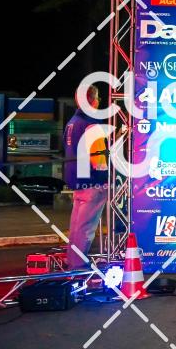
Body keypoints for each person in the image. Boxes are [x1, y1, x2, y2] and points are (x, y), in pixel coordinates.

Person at [63, 84, 109, 271]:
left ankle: (72, 260)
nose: (99, 101)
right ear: (93, 101)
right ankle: (79, 265)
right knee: (86, 228)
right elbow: (98, 160)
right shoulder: (91, 123)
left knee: (76, 226)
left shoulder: (72, 122)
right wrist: (106, 178)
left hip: (77, 181)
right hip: (92, 182)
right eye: (98, 98)